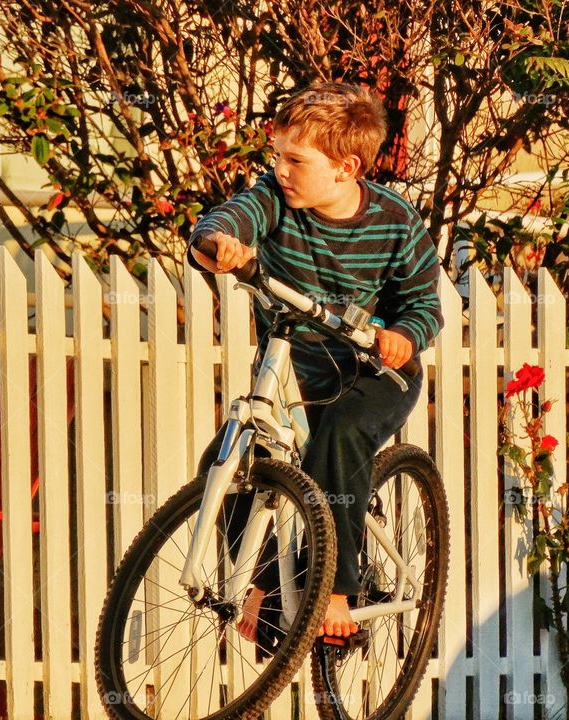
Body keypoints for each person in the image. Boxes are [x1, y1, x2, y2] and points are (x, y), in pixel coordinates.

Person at [187, 83, 443, 641]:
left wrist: (402, 333)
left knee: (341, 436)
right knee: (225, 460)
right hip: (296, 374)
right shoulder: (274, 199)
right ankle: (266, 588)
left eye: (295, 159)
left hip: (375, 374)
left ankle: (337, 591)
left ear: (345, 167)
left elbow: (426, 305)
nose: (279, 168)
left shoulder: (395, 221)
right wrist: (217, 243)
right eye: (275, 155)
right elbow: (222, 221)